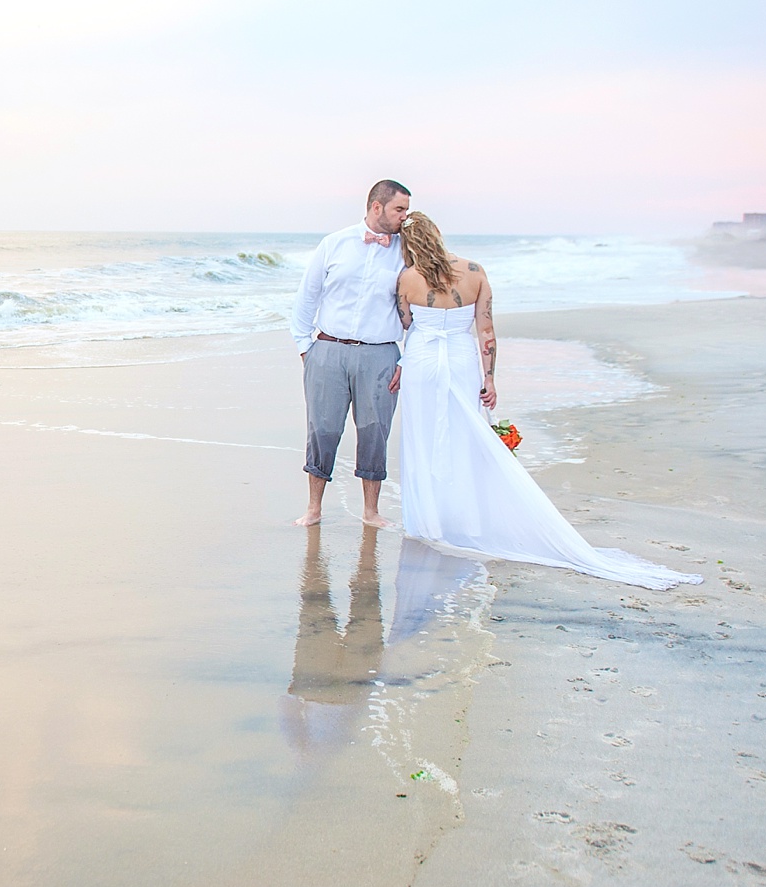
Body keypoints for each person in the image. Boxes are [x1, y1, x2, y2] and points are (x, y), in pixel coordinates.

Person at [392, 212, 701, 590]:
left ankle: (429, 521)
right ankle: (468, 520)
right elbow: (486, 332)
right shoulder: (473, 271)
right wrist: (489, 377)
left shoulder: (407, 278)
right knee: (468, 439)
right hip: (460, 361)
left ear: (408, 245)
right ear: (438, 236)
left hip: (423, 363)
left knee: (424, 439)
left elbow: (406, 324)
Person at [290, 179, 411, 527]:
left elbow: (416, 311)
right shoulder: (335, 244)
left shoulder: (406, 252)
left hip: (381, 355)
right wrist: (306, 350)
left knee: (375, 431)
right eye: (398, 209)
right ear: (377, 207)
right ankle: (314, 508)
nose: (404, 216)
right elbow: (306, 297)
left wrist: (406, 358)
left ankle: (370, 511)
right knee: (322, 429)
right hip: (327, 350)